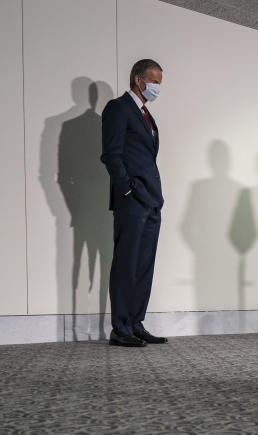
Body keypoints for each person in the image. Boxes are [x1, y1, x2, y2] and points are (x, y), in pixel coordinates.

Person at [100, 59, 167, 347]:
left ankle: (136, 321)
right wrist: (127, 190)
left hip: (152, 200)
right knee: (126, 263)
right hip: (132, 200)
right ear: (138, 80)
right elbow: (111, 155)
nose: (157, 88)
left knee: (144, 264)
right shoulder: (118, 108)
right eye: (154, 82)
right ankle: (120, 327)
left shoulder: (147, 116)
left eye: (160, 83)